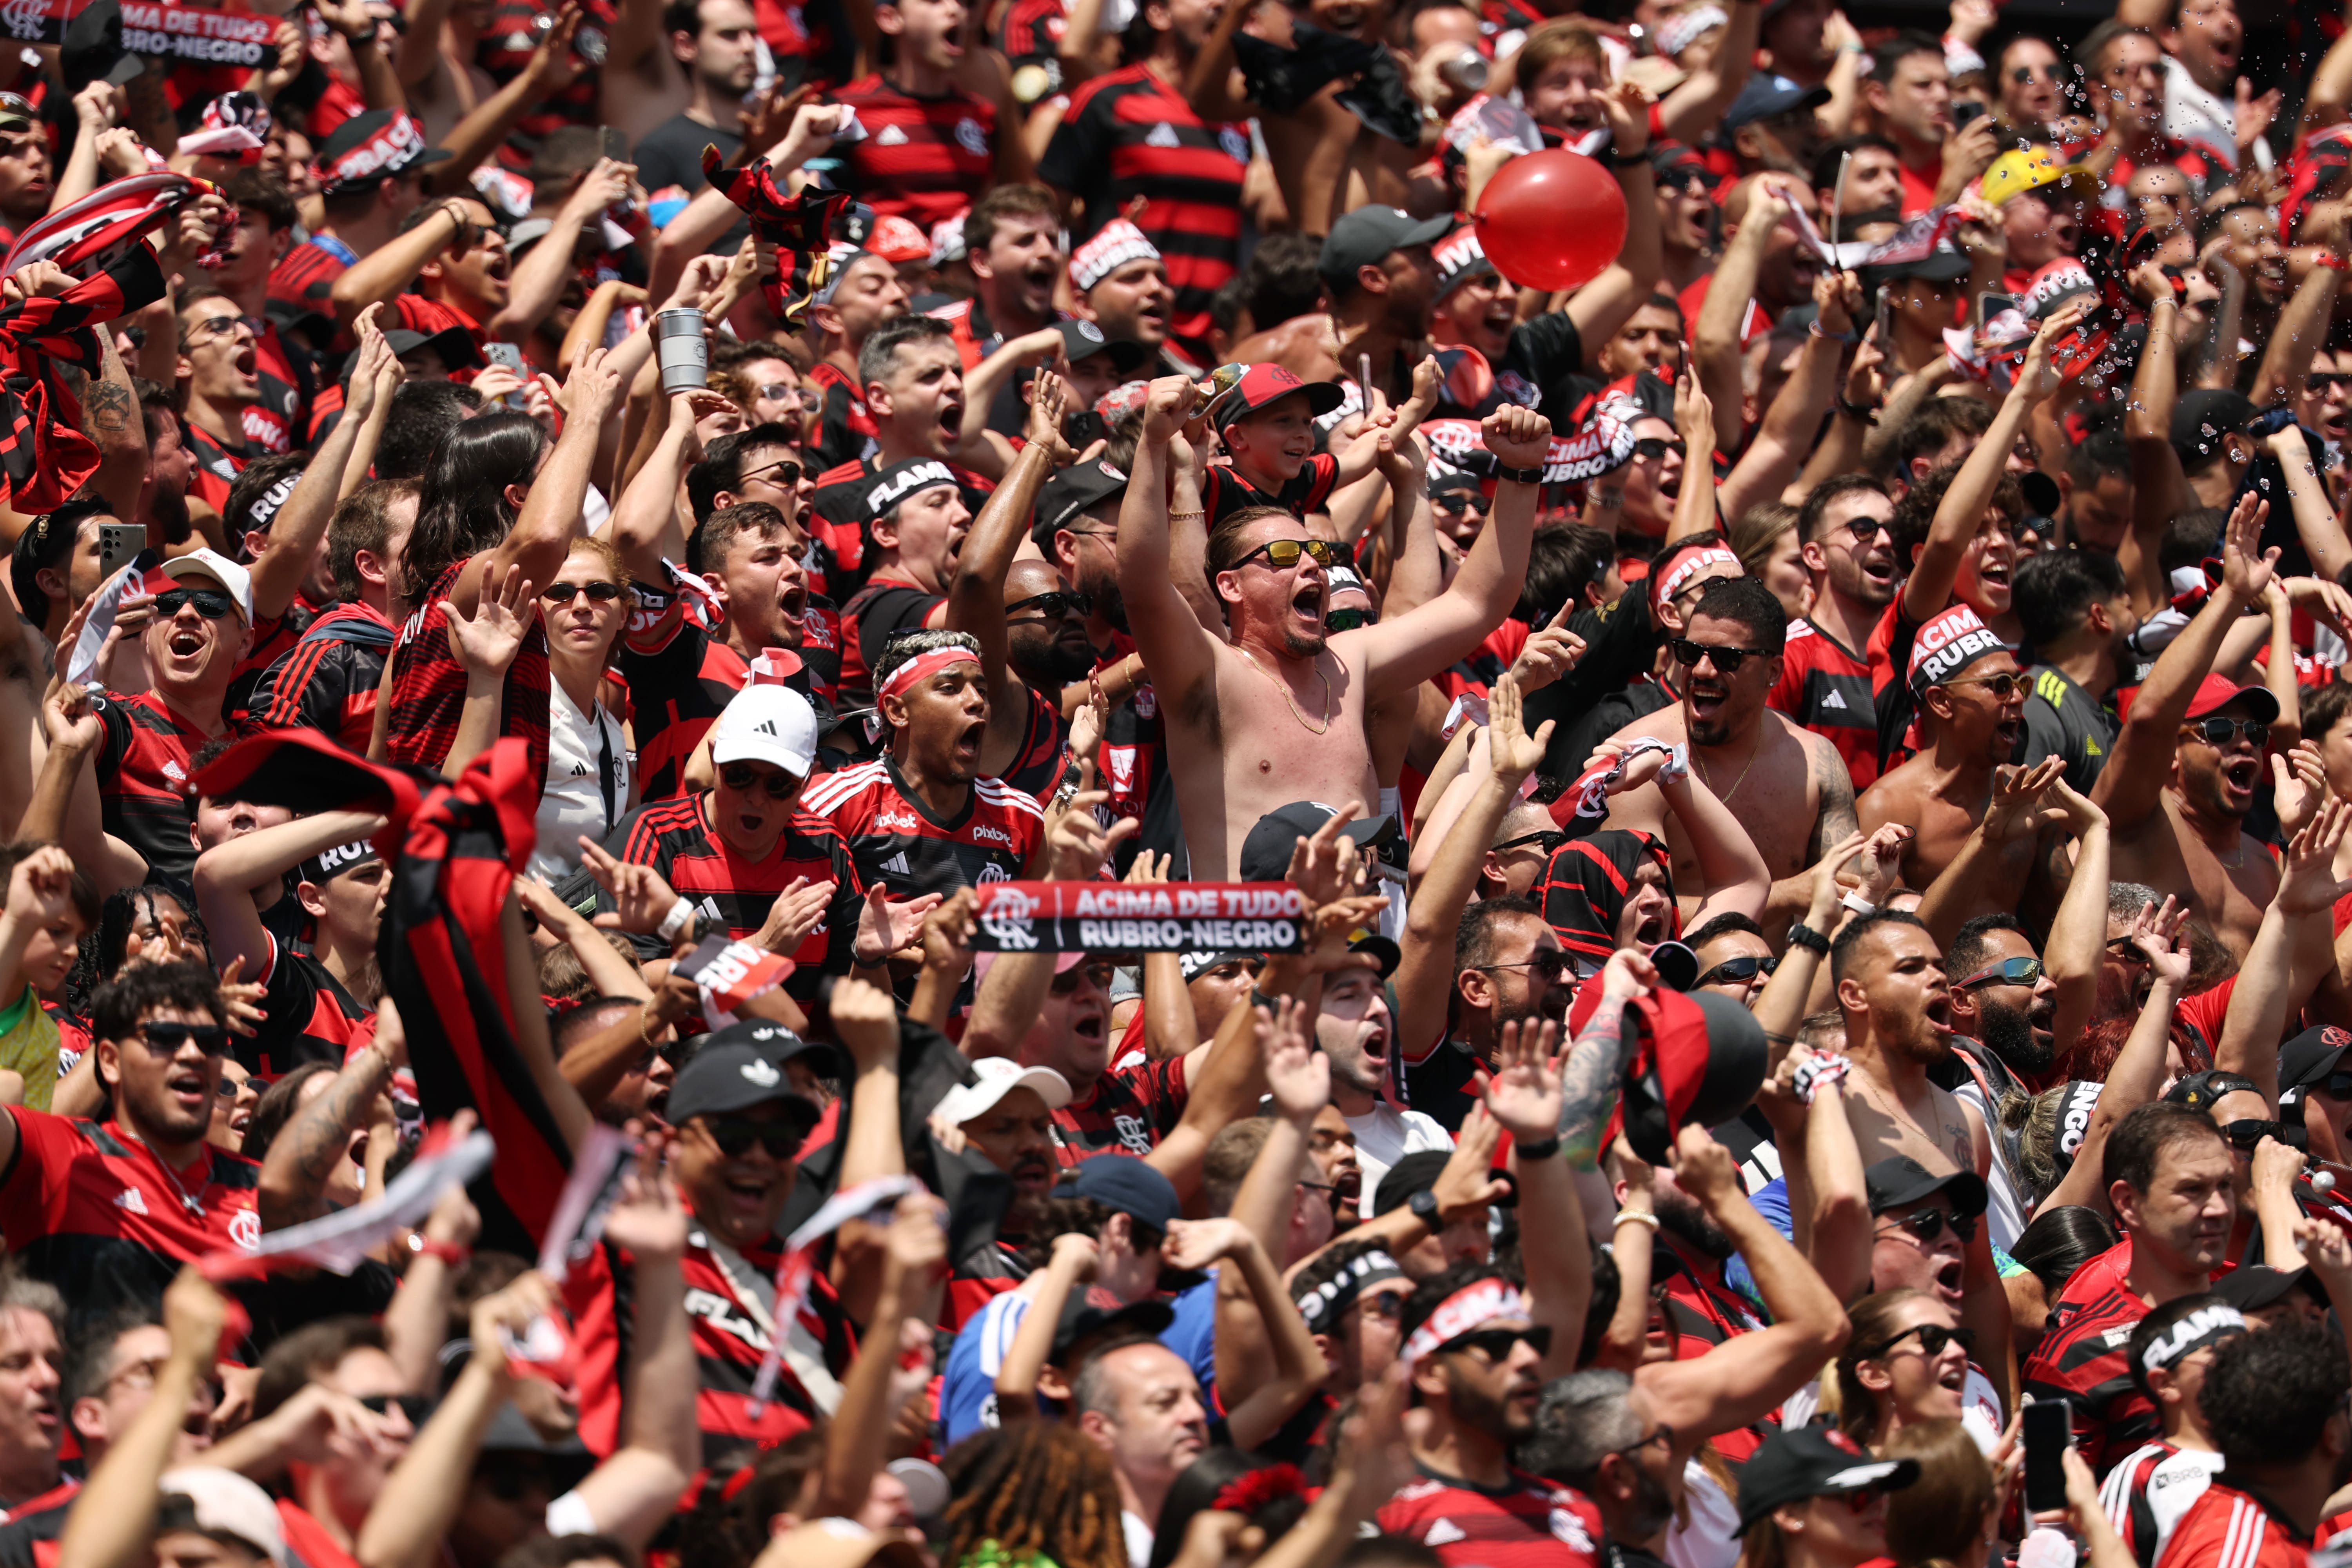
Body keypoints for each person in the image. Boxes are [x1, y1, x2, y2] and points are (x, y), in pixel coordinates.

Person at [1118, 377, 1546, 879]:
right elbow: (1143, 582)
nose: (1311, 567)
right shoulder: (1209, 674)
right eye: (1282, 555)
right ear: (1230, 587)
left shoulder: (1351, 664)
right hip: (1246, 949)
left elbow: (1477, 602)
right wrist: (1152, 445)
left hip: (1358, 946)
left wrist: (1521, 470)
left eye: (1316, 553)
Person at [2021, 1103, 2238, 1470]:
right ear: (2128, 1202)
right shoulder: (2075, 1359)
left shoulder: (2258, 1313)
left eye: (2226, 1185)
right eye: (2193, 1190)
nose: (2218, 1208)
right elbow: (2047, 1514)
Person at [2099, 1293, 2241, 1568]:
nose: (2244, 1363)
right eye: (2221, 1353)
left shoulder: (2281, 1450)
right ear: (2166, 1383)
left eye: (2247, 1350)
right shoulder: (2139, 1475)